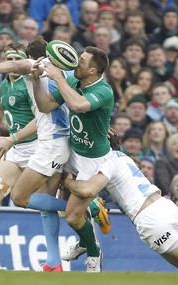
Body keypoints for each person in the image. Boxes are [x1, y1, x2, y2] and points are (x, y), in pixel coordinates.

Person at [0, 40, 110, 272]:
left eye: (18, 58)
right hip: (20, 150)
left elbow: (41, 117)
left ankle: (65, 242)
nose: (14, 63)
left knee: (29, 201)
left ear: (28, 57)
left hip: (42, 146)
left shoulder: (36, 71)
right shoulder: (9, 84)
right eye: (10, 59)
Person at [30, 46, 114, 272]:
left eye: (82, 62)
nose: (77, 63)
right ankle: (87, 231)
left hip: (93, 160)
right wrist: (37, 80)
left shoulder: (104, 91)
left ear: (93, 71)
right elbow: (45, 105)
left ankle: (94, 252)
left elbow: (78, 105)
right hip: (72, 150)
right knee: (49, 190)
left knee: (72, 216)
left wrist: (58, 77)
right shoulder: (76, 83)